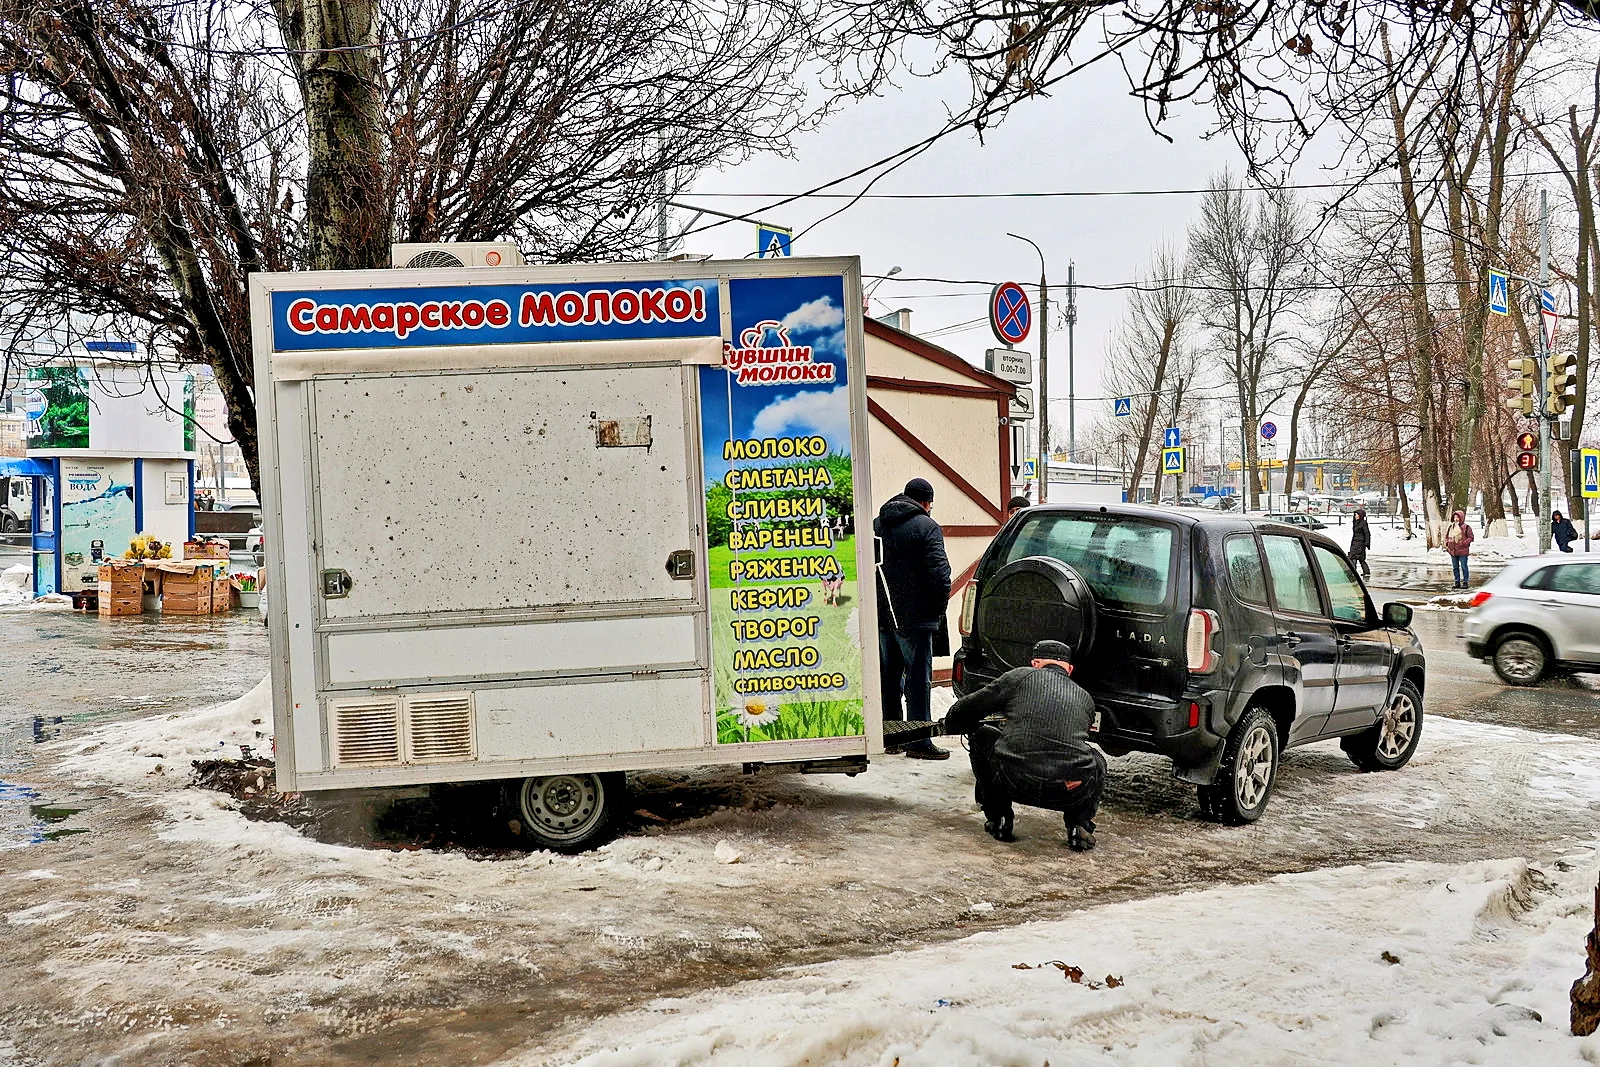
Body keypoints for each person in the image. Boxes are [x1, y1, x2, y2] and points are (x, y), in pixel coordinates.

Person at [940, 639, 1105, 851]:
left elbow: (967, 709)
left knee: (981, 736)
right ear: (1069, 669)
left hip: (1013, 779)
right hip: (1067, 788)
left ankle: (999, 818)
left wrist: (953, 723)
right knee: (1097, 760)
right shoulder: (1085, 698)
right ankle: (1079, 826)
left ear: (1035, 663)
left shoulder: (1020, 676)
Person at [875, 477, 951, 760]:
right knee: (918, 680)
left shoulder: (877, 524)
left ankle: (892, 736)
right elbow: (940, 574)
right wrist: (938, 606)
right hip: (916, 619)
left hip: (883, 615)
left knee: (889, 677)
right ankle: (918, 741)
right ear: (926, 502)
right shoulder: (927, 527)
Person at [1445, 509, 1475, 589]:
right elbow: (1447, 537)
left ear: (1461, 518)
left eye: (1457, 517)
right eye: (1454, 517)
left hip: (1463, 551)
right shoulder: (1451, 527)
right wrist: (1447, 544)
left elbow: (1471, 537)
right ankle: (1457, 582)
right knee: (1455, 567)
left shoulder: (1466, 527)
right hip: (1453, 551)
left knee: (1464, 566)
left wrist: (1464, 542)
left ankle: (1465, 582)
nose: (1456, 519)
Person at [1349, 506, 1371, 578]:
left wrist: (1366, 544)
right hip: (1355, 543)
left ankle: (1354, 571)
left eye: (1357, 515)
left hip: (1360, 544)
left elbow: (1367, 533)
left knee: (1358, 558)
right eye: (1355, 515)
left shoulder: (1363, 523)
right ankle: (1361, 571)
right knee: (1354, 558)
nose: (1355, 516)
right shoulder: (1355, 523)